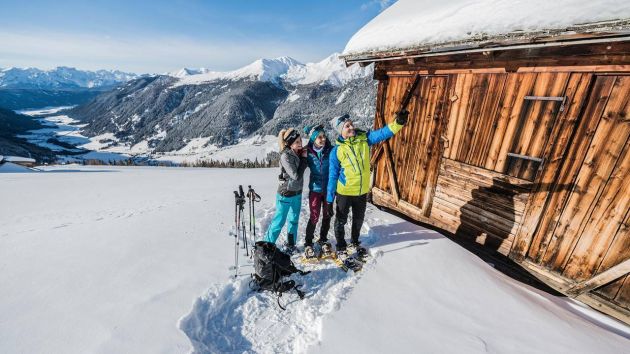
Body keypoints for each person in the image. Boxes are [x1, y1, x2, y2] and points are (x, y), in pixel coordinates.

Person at [326, 111, 409, 258]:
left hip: (361, 191)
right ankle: (340, 245)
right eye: (347, 126)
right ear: (341, 131)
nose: (351, 127)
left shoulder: (364, 139)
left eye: (351, 124)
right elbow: (332, 176)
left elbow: (383, 133)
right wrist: (329, 200)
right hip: (345, 191)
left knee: (358, 219)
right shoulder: (336, 151)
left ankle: (355, 241)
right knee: (341, 220)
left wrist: (399, 123)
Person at [263, 128, 307, 254]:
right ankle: (267, 247)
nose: (300, 144)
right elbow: (295, 175)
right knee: (279, 222)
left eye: (300, 141)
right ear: (289, 143)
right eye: (297, 142)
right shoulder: (285, 155)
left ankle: (291, 244)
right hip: (285, 194)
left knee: (293, 221)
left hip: (297, 193)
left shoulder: (297, 152)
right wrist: (304, 159)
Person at [302, 124, 334, 258]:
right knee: (314, 216)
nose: (323, 139)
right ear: (313, 139)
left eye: (324, 136)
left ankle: (323, 239)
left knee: (327, 214)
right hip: (315, 189)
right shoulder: (308, 152)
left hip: (328, 189)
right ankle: (308, 242)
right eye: (319, 137)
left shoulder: (330, 150)